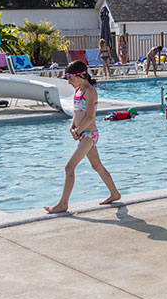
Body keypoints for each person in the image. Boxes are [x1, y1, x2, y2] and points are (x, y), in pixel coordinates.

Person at [45, 61, 122, 213]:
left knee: (69, 166)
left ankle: (63, 204)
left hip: (89, 135)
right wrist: (72, 126)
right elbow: (77, 112)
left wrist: (78, 131)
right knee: (96, 165)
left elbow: (90, 116)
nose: (69, 82)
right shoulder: (78, 91)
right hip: (82, 134)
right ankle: (114, 193)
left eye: (70, 78)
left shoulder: (90, 91)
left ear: (81, 75)